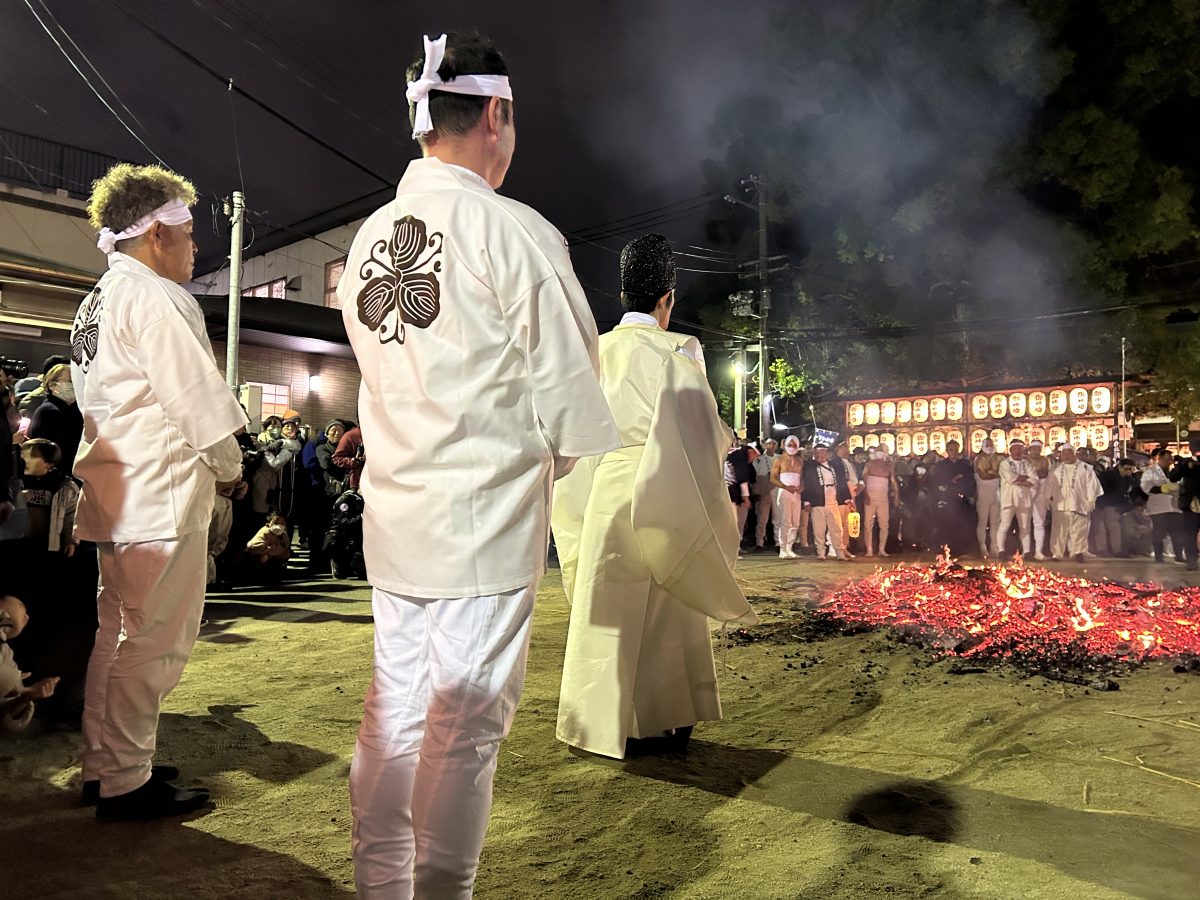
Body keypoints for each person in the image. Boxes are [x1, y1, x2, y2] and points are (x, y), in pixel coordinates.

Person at [336, 32, 620, 899]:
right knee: (462, 729)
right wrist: (532, 463)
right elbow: (572, 402)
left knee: (394, 717)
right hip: (483, 523)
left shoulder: (368, 240)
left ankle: (381, 886)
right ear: (496, 114)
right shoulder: (511, 230)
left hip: (396, 519)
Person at [72, 163, 247, 820]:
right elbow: (194, 395)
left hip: (117, 492)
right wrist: (228, 463)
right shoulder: (154, 298)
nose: (194, 246)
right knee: (152, 641)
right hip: (159, 492)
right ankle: (124, 779)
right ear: (153, 234)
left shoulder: (99, 298)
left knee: (116, 632)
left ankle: (107, 763)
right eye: (188, 232)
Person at [553, 233, 753, 761]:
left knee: (607, 604)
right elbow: (700, 434)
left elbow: (570, 433)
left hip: (605, 486)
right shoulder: (679, 352)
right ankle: (664, 720)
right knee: (668, 600)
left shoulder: (593, 352)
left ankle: (598, 721)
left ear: (622, 294)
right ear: (667, 298)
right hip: (664, 484)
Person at [1048, 445, 1103, 561]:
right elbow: (1049, 486)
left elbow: (1092, 486)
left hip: (1079, 503)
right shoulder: (1055, 469)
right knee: (1059, 531)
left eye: (1069, 453)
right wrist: (1047, 498)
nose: (1066, 456)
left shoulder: (1086, 468)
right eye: (1064, 454)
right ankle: (1057, 554)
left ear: (1074, 454)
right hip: (1060, 504)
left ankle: (1078, 553)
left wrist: (1091, 500)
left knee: (1079, 531)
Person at [27, 364, 83, 475]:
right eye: (71, 380)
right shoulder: (49, 412)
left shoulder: (74, 410)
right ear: (53, 385)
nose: (75, 385)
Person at [802, 444, 852, 560]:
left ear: (826, 453)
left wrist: (847, 498)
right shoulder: (810, 467)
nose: (820, 455)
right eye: (817, 452)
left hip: (832, 500)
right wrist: (806, 501)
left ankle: (839, 552)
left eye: (822, 452)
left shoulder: (833, 466)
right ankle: (820, 552)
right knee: (819, 529)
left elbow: (841, 482)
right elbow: (806, 485)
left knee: (836, 528)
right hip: (817, 500)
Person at [930, 440, 975, 556]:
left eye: (955, 449)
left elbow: (969, 480)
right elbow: (937, 482)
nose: (954, 452)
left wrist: (966, 492)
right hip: (947, 498)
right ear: (947, 451)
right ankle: (945, 548)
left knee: (961, 523)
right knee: (945, 524)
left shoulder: (964, 465)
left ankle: (960, 548)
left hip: (961, 499)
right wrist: (951, 482)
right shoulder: (941, 466)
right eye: (951, 450)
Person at [1141, 448, 1184, 563]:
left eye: (1170, 460)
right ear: (1159, 459)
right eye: (1166, 460)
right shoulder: (1150, 472)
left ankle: (1179, 555)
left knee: (1177, 532)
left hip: (1175, 507)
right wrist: (1161, 488)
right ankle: (1158, 556)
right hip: (1158, 507)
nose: (1169, 462)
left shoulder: (1175, 472)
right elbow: (1145, 487)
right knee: (1158, 533)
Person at [996, 439, 1035, 558]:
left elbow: (1034, 480)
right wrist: (1025, 478)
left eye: (1020, 449)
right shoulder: (1005, 463)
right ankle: (1001, 550)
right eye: (1015, 449)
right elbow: (1011, 478)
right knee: (1005, 525)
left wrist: (1021, 480)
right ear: (1011, 450)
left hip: (1024, 499)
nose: (1018, 452)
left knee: (1025, 527)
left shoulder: (1027, 464)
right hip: (1009, 498)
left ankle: (1027, 552)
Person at [771, 435, 805, 558]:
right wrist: (785, 487)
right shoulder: (779, 460)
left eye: (794, 445)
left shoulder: (800, 461)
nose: (792, 447)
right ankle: (782, 549)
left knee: (795, 522)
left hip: (796, 494)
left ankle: (790, 548)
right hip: (784, 492)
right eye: (789, 445)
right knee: (785, 521)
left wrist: (801, 487)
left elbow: (801, 478)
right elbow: (773, 478)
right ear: (785, 446)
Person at [1167, 446, 1200, 571]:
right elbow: (1173, 477)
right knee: (1189, 535)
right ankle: (1191, 560)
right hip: (1190, 505)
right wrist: (1186, 466)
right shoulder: (1186, 464)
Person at [1095, 458, 1137, 556]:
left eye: (1130, 469)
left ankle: (1116, 550)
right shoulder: (1107, 475)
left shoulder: (1128, 479)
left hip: (1115, 506)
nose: (1128, 471)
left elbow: (1124, 493)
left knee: (1115, 528)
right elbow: (1100, 490)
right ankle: (1102, 549)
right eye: (1126, 469)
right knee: (1100, 527)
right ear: (1119, 467)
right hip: (1102, 504)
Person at [861, 448, 898, 557]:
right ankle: (869, 549)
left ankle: (882, 549)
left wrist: (896, 496)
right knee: (868, 524)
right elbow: (863, 480)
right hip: (870, 497)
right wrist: (866, 495)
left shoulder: (889, 466)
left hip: (883, 499)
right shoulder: (869, 465)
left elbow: (894, 482)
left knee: (884, 525)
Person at [974, 439, 1002, 557]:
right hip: (983, 493)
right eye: (987, 445)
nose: (990, 447)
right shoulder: (979, 459)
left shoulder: (999, 458)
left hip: (996, 493)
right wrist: (996, 474)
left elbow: (1004, 473)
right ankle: (982, 546)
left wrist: (993, 473)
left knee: (995, 522)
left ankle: (994, 546)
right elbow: (983, 476)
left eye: (991, 444)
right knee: (983, 521)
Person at [725, 433, 753, 547]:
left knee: (735, 521)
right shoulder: (738, 455)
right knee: (732, 522)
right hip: (728, 492)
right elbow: (742, 478)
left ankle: (733, 547)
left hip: (730, 493)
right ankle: (731, 547)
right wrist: (746, 497)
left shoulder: (734, 454)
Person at [833, 443, 861, 558]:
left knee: (847, 524)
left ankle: (845, 547)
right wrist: (845, 496)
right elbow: (840, 481)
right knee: (839, 524)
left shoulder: (849, 462)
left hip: (852, 494)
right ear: (839, 448)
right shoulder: (835, 462)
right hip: (842, 495)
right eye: (845, 447)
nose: (847, 450)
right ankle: (837, 548)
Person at [751, 438, 777, 552]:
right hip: (764, 491)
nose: (771, 446)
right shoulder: (758, 460)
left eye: (773, 444)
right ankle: (759, 542)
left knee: (778, 519)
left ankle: (778, 542)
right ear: (765, 445)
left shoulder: (779, 458)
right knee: (762, 519)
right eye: (769, 444)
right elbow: (756, 477)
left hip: (777, 491)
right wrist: (757, 491)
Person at [1027, 440, 1052, 560]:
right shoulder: (1024, 460)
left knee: (1039, 523)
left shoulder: (1045, 460)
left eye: (1038, 449)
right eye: (1034, 448)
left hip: (1041, 493)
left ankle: (1038, 552)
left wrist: (1032, 476)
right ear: (1030, 449)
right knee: (1024, 524)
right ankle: (1025, 552)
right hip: (1026, 493)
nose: (1036, 451)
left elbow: (1044, 473)